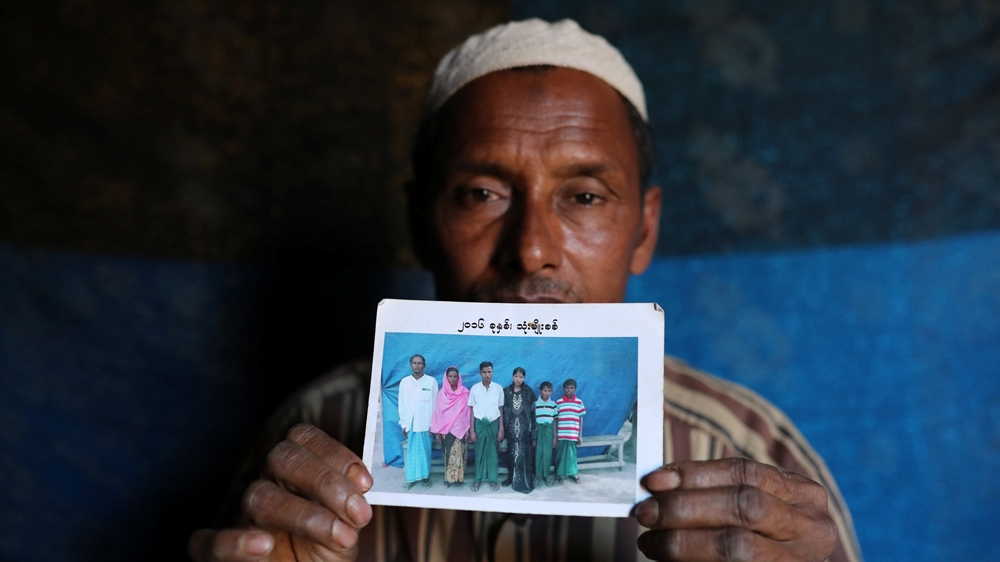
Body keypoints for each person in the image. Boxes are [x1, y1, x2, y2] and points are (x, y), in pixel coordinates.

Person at [190, 18, 862, 562]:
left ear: (644, 229)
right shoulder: (309, 443)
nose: (531, 249)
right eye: (482, 194)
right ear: (421, 226)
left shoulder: (752, 451)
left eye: (585, 196)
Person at [396, 354, 437, 490]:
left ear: (424, 366)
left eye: (420, 363)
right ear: (410, 365)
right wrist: (403, 424)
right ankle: (410, 479)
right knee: (412, 453)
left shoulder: (431, 381)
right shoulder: (404, 382)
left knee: (425, 452)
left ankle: (425, 478)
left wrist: (434, 425)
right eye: (414, 363)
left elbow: (435, 404)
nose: (417, 365)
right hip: (410, 424)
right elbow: (401, 404)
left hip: (426, 424)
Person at [429, 366, 471, 488]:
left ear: (459, 378)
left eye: (455, 376)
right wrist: (437, 432)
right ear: (446, 378)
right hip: (445, 431)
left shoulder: (464, 393)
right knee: (448, 454)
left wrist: (468, 429)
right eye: (450, 376)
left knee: (459, 454)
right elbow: (438, 414)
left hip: (460, 430)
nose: (452, 379)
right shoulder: (441, 394)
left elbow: (467, 413)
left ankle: (459, 479)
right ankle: (448, 479)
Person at [466, 361, 504, 492]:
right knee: (479, 452)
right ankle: (477, 479)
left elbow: (500, 409)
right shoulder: (475, 389)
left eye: (489, 372)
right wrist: (472, 429)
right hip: (479, 425)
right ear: (480, 373)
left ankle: (493, 479)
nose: (487, 375)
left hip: (494, 424)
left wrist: (501, 428)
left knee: (493, 453)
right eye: (484, 372)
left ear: (492, 372)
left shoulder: (498, 388)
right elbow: (471, 410)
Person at [500, 367, 536, 493]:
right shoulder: (506, 391)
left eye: (521, 377)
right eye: (516, 376)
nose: (518, 379)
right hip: (510, 429)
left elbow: (532, 412)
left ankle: (524, 479)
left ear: (524, 378)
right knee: (510, 454)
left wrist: (532, 432)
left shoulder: (528, 392)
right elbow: (502, 410)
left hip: (524, 430)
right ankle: (510, 478)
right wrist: (503, 429)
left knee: (523, 455)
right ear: (512, 377)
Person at [553, 378, 586, 484]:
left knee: (572, 456)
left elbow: (581, 419)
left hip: (573, 434)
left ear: (575, 389)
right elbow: (555, 419)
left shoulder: (579, 402)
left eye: (571, 388)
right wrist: (555, 435)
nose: (569, 390)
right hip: (561, 434)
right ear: (563, 389)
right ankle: (559, 474)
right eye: (567, 388)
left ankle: (573, 473)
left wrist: (580, 435)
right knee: (560, 455)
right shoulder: (559, 402)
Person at [533, 380, 557, 487]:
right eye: (545, 390)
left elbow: (555, 421)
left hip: (549, 432)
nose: (547, 393)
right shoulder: (535, 404)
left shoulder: (553, 405)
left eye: (549, 391)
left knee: (547, 454)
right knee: (538, 454)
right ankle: (537, 475)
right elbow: (533, 421)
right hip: (538, 431)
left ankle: (546, 475)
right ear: (540, 391)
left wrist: (555, 436)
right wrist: (533, 437)